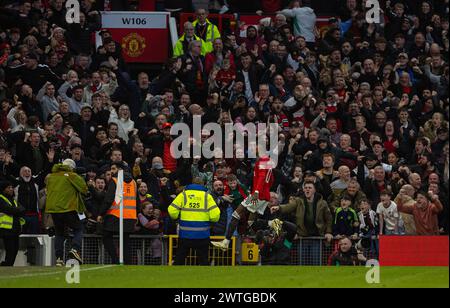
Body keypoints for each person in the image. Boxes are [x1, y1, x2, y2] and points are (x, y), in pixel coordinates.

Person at [271, 180, 333, 265]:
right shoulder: (299, 201)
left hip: (317, 237)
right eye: (306, 188)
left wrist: (328, 232)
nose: (307, 190)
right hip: (302, 237)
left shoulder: (322, 203)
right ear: (303, 190)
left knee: (316, 263)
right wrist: (279, 208)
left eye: (310, 188)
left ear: (314, 190)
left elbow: (329, 218)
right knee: (303, 263)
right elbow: (289, 207)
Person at [45, 159, 88, 266]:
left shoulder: (51, 176)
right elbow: (84, 189)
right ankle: (74, 249)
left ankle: (59, 259)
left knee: (59, 233)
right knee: (78, 229)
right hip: (68, 208)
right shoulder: (71, 175)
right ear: (72, 168)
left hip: (53, 210)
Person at [168, 179, 220, 265]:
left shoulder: (183, 195)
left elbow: (172, 210)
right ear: (203, 185)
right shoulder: (207, 196)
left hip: (185, 235)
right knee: (204, 262)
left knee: (179, 261)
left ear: (192, 184)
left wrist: (176, 217)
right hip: (202, 235)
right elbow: (215, 216)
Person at [100, 162, 138, 265]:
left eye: (113, 169)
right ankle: (128, 263)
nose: (111, 171)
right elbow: (137, 201)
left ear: (120, 169)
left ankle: (115, 260)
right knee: (125, 241)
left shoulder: (115, 180)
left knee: (106, 236)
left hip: (116, 215)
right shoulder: (133, 182)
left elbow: (109, 199)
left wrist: (101, 213)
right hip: (130, 216)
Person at [0, 180, 25, 266]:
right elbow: (8, 209)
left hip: (15, 228)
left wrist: (16, 210)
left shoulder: (13, 200)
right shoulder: (1, 198)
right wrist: (17, 210)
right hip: (6, 229)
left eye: (12, 187)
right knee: (10, 250)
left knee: (15, 250)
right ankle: (7, 266)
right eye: (8, 188)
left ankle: (7, 265)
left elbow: (22, 209)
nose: (11, 189)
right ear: (3, 189)